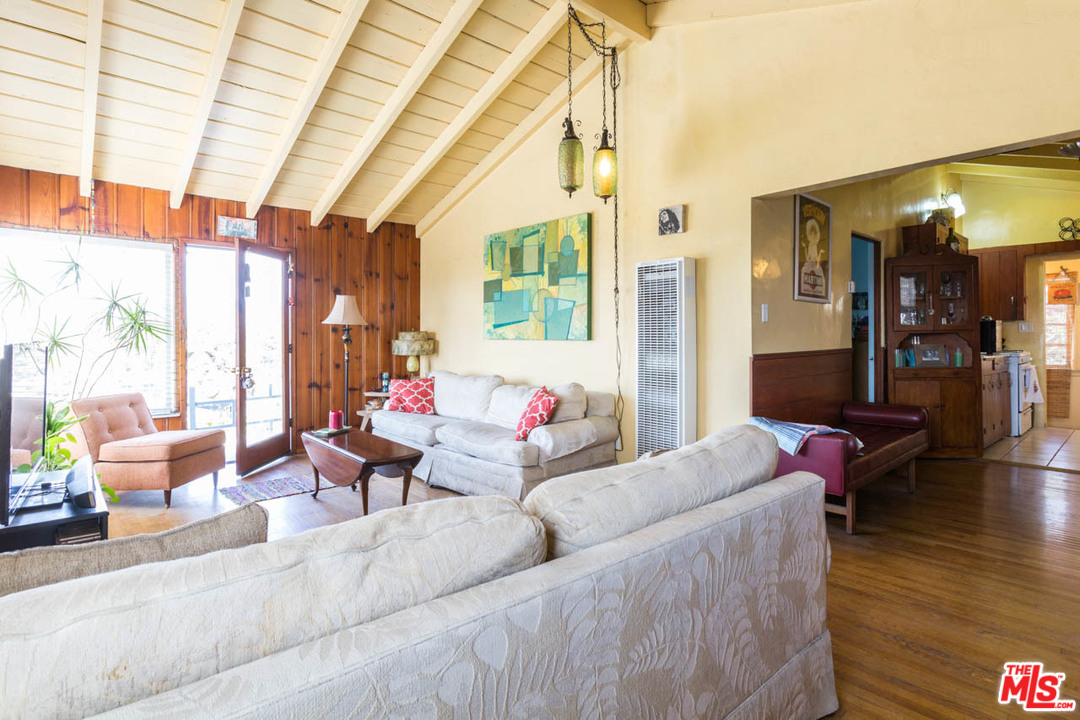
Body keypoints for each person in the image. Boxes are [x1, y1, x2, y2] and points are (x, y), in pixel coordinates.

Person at [799, 217, 826, 298]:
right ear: (809, 237)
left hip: (815, 265)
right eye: (812, 236)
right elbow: (807, 258)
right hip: (810, 264)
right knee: (805, 272)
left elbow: (817, 259)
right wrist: (804, 248)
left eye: (815, 236)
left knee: (820, 276)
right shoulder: (810, 246)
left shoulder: (815, 246)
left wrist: (820, 253)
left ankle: (819, 293)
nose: (813, 238)